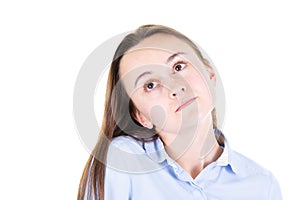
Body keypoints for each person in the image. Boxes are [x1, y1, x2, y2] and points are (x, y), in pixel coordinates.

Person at [77, 25, 282, 200]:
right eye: (150, 85)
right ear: (141, 116)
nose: (175, 87)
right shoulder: (122, 162)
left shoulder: (262, 185)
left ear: (209, 73)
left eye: (179, 66)